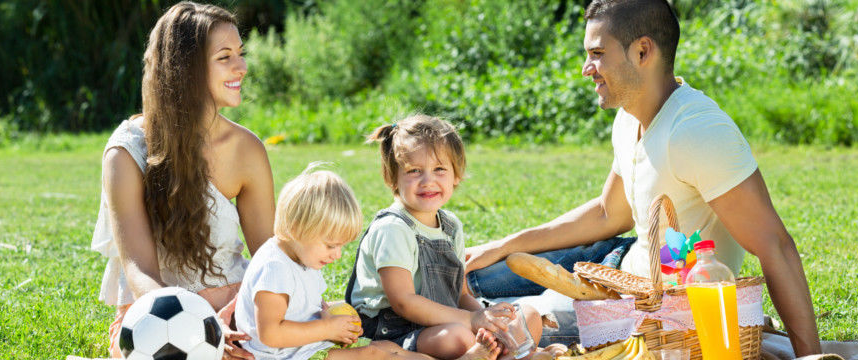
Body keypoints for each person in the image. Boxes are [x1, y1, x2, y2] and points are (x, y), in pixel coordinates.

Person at [463, 0, 822, 357]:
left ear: (642, 51)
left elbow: (775, 246)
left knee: (490, 327)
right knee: (463, 276)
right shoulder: (629, 118)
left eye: (598, 53)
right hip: (614, 264)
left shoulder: (697, 131)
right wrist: (502, 245)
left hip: (645, 313)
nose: (587, 68)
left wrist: (810, 356)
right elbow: (608, 214)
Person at [91, 2, 274, 359]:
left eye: (241, 53)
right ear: (186, 69)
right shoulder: (127, 152)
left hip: (234, 304)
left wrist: (239, 318)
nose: (242, 67)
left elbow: (269, 258)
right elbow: (139, 269)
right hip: (153, 314)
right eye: (225, 57)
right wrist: (199, 329)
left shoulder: (247, 149)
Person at [233, 164, 501, 360]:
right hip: (286, 357)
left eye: (341, 246)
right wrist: (326, 327)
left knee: (386, 350)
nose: (337, 255)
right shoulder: (276, 268)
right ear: (296, 228)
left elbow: (297, 302)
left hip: (304, 350)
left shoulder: (299, 256)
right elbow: (270, 333)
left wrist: (327, 315)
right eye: (330, 245)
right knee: (375, 355)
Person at [344, 115, 543, 360]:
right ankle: (498, 355)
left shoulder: (450, 226)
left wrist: (488, 320)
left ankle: (496, 353)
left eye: (439, 169)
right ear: (391, 177)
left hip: (447, 323)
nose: (428, 181)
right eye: (414, 171)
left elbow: (459, 296)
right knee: (458, 338)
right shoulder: (393, 228)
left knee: (528, 316)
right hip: (393, 332)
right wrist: (471, 320)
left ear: (456, 175)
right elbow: (403, 302)